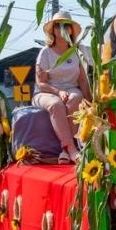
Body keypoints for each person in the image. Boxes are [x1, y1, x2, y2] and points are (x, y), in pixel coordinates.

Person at [34, 10, 92, 162]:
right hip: (45, 92)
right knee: (56, 104)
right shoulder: (45, 53)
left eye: (66, 25)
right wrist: (58, 92)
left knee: (76, 97)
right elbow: (41, 83)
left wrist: (91, 103)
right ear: (52, 29)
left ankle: (65, 151)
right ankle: (72, 149)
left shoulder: (78, 51)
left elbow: (82, 81)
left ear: (72, 29)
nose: (62, 28)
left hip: (71, 88)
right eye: (58, 25)